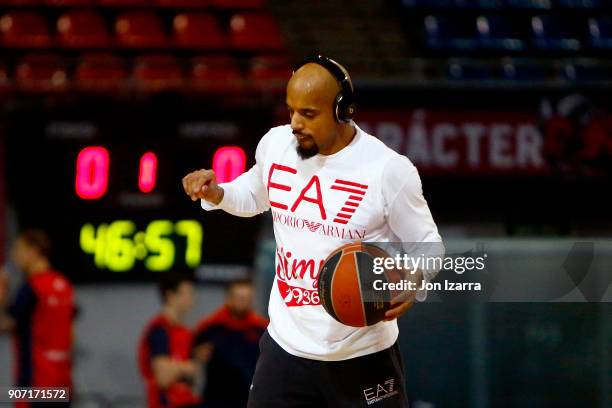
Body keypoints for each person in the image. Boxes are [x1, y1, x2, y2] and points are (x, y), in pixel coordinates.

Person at [182, 54, 444, 407]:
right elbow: (254, 195)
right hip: (286, 349)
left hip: (363, 355)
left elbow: (428, 245)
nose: (295, 123)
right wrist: (218, 193)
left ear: (342, 111)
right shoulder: (276, 145)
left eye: (308, 114)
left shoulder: (387, 170)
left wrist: (416, 279)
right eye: (291, 110)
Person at [0, 229, 75, 408]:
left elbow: (7, 324)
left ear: (33, 251)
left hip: (35, 383)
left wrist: (2, 293)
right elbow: (71, 335)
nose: (15, 256)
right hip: (61, 381)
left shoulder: (32, 288)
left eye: (18, 249)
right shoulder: (63, 284)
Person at [192, 280, 267, 408]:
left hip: (249, 399)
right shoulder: (209, 327)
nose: (243, 302)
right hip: (215, 399)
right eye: (239, 297)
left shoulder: (262, 329)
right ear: (228, 298)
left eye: (247, 298)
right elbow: (192, 357)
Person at [138, 273, 201, 408]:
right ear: (170, 296)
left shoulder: (186, 332)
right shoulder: (159, 331)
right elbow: (163, 378)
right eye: (187, 294)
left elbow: (193, 375)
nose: (192, 299)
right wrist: (187, 367)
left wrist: (176, 367)